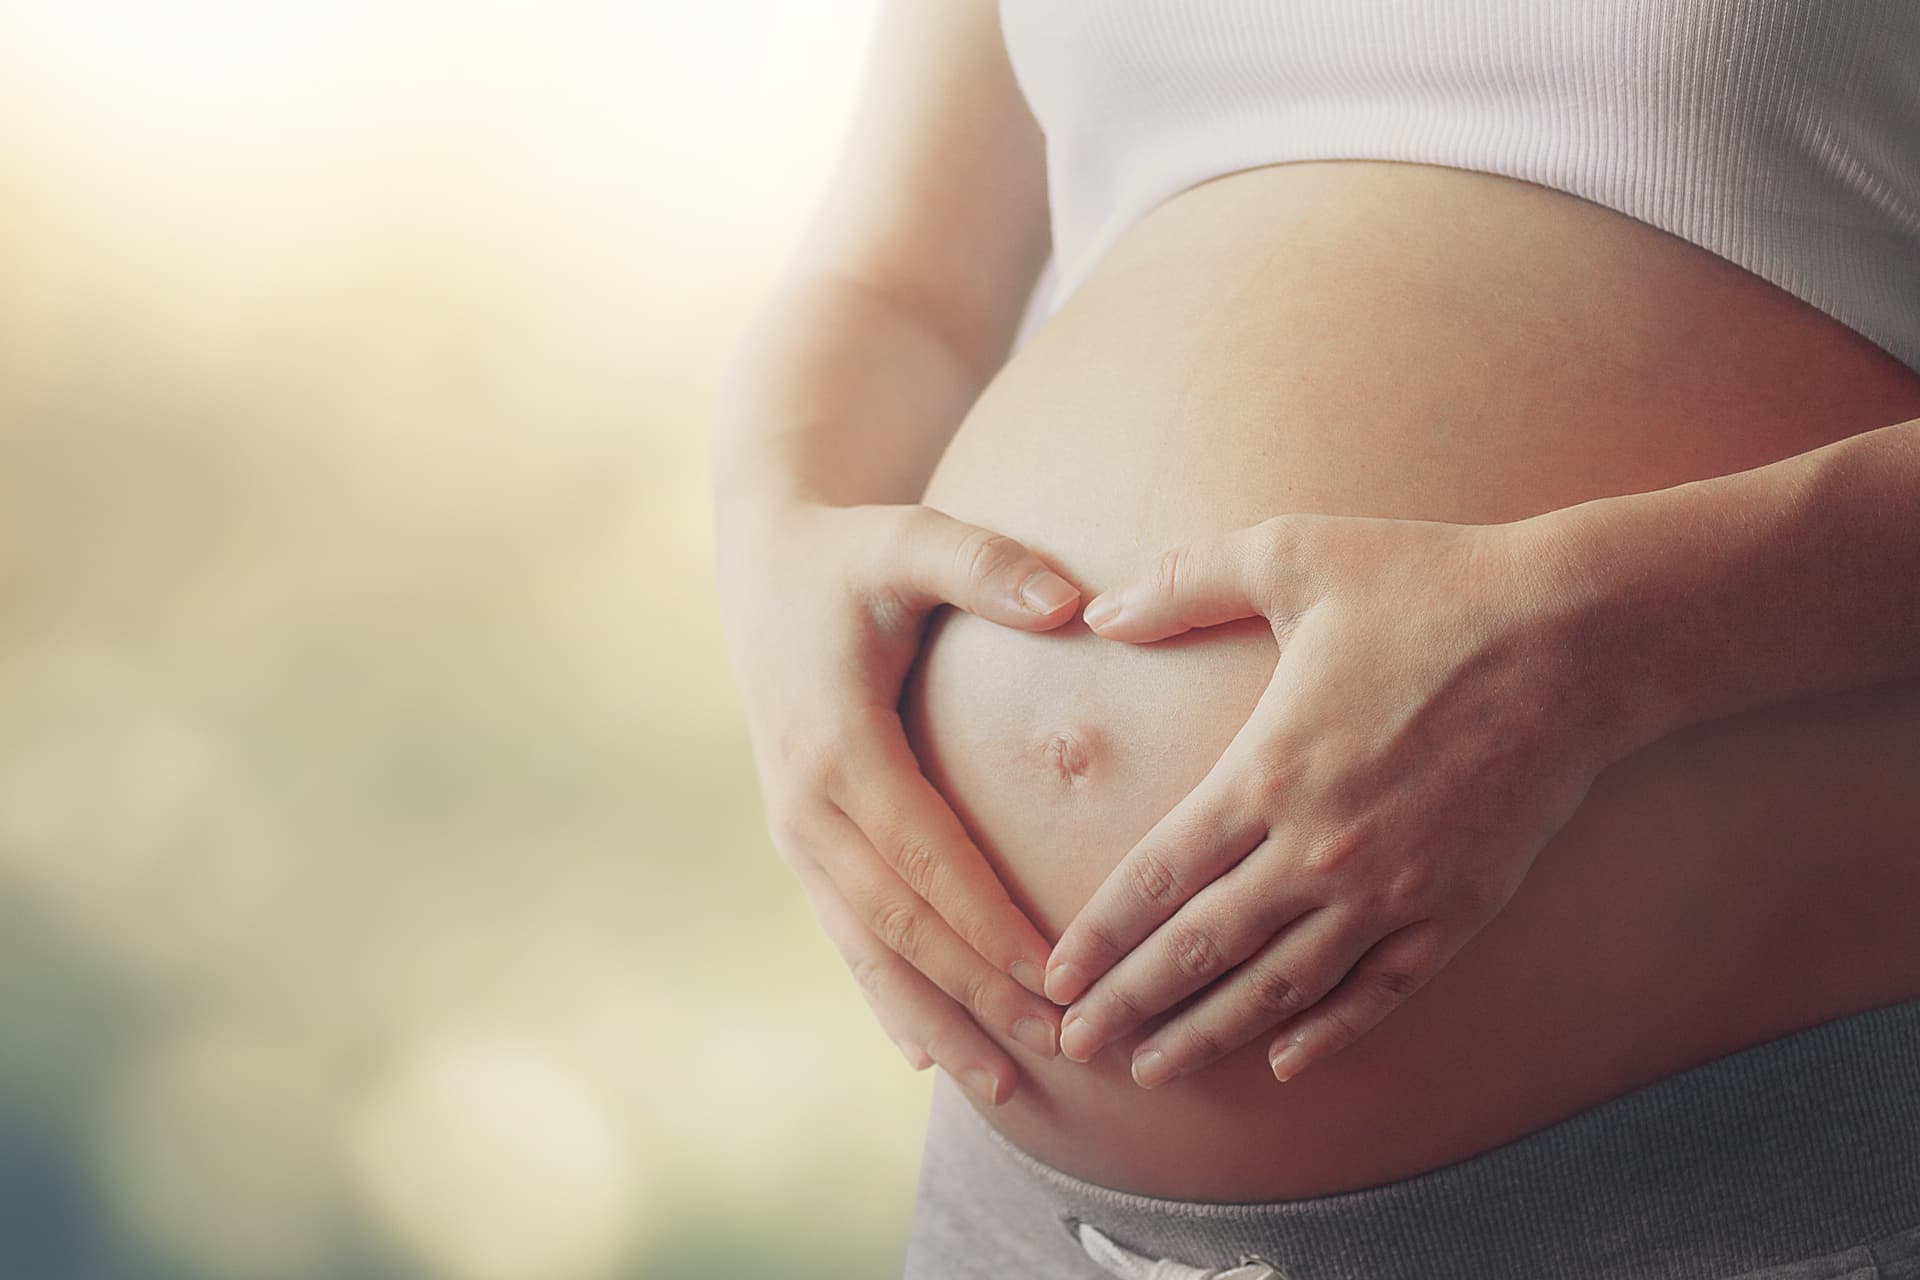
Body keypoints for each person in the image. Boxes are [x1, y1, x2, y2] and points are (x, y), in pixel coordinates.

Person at [709, 1, 1920, 1276]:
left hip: (1734, 1185)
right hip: (1022, 1208)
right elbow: (898, 285)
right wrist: (773, 538)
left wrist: (1616, 635)